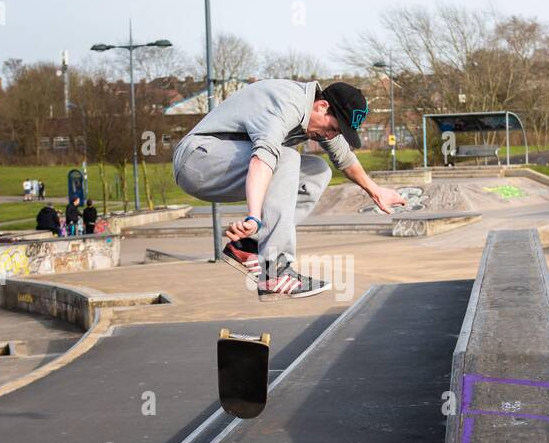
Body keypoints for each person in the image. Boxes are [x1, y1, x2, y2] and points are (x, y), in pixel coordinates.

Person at [171, 79, 405, 299]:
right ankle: (275, 270)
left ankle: (249, 245)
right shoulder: (285, 105)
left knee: (318, 171)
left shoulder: (315, 114)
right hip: (197, 160)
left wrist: (375, 191)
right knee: (286, 159)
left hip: (225, 164)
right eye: (333, 128)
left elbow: (344, 158)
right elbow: (262, 160)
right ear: (322, 107)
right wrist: (253, 216)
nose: (330, 136)